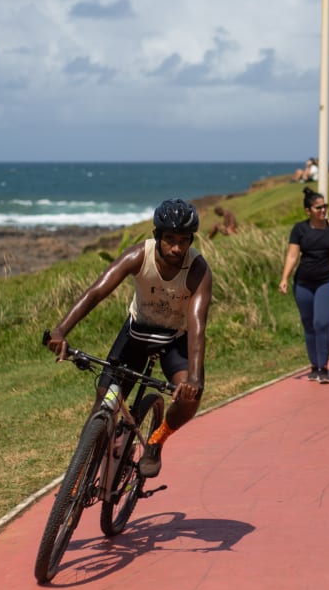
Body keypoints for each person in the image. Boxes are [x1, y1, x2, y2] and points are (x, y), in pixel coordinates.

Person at [46, 199, 212, 478]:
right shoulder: (138, 256)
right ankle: (77, 479)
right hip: (136, 334)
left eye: (183, 241)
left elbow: (197, 326)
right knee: (105, 403)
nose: (176, 248)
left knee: (189, 399)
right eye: (170, 239)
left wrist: (194, 379)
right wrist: (60, 331)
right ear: (156, 236)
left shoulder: (197, 270)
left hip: (176, 339)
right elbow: (96, 292)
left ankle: (156, 441)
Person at [280, 187, 329, 383]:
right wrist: (284, 278)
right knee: (309, 324)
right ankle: (314, 366)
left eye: (325, 206)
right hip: (303, 283)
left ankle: (323, 368)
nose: (323, 210)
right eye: (318, 208)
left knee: (321, 322)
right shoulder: (299, 229)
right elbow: (292, 256)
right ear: (308, 211)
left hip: (328, 281)